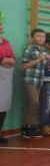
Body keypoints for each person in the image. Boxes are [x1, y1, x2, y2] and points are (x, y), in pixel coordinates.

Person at [21, 28, 49, 139]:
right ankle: (26, 127)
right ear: (33, 37)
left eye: (43, 36)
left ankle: (32, 127)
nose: (41, 38)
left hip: (39, 80)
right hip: (30, 79)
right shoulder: (29, 49)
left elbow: (48, 67)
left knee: (35, 104)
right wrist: (39, 59)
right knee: (34, 102)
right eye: (38, 36)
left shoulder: (44, 50)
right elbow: (24, 66)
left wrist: (49, 60)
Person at [0, 12, 16, 144]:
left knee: (3, 105)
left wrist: (10, 60)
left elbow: (13, 57)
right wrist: (3, 60)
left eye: (1, 24)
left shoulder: (6, 41)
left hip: (6, 77)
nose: (1, 26)